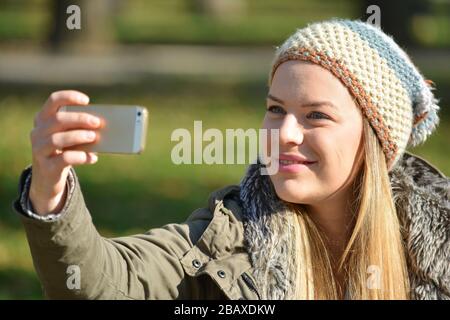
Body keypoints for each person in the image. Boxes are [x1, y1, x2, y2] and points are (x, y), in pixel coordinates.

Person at [13, 19, 449, 300]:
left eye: (316, 115)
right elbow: (100, 284)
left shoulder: (437, 243)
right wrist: (51, 191)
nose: (285, 134)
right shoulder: (226, 236)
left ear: (373, 140)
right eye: (276, 109)